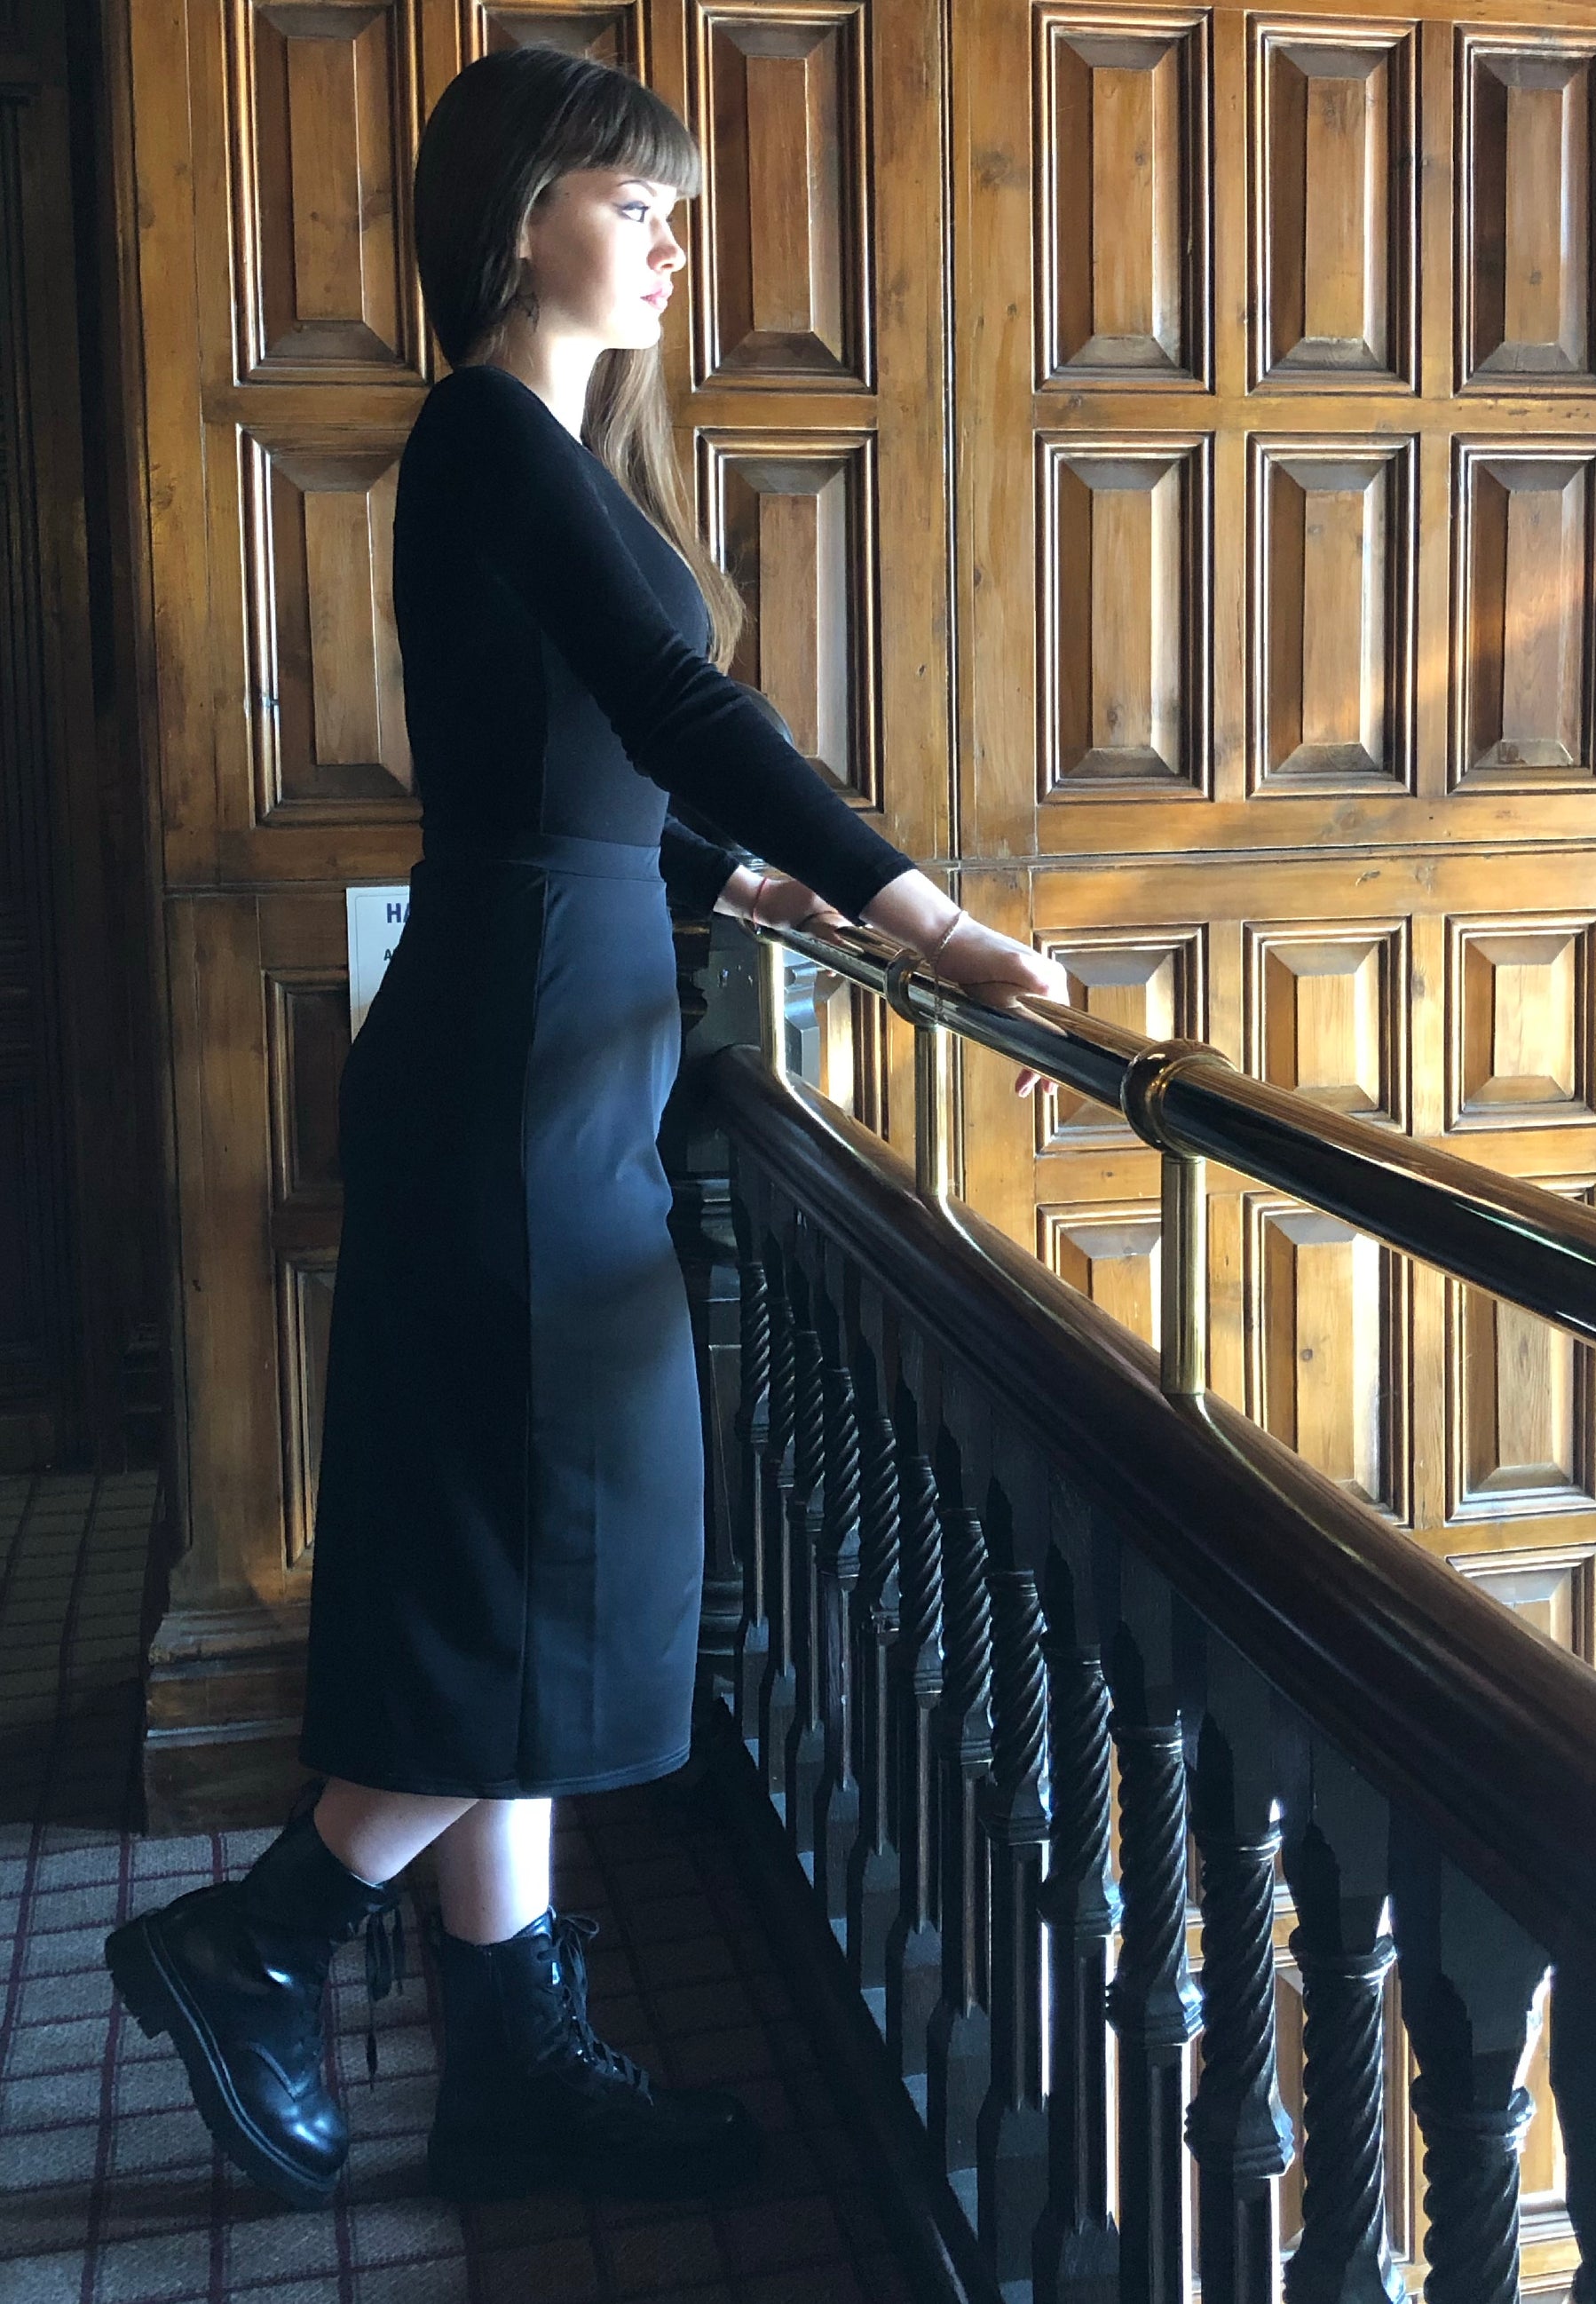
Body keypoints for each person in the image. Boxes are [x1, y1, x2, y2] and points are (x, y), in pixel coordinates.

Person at [104, 45, 1066, 2213]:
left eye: (669, 208)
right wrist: (922, 911)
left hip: (545, 1048)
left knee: (511, 1542)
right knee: (557, 1551)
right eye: (636, 200)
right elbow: (672, 707)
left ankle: (511, 2053)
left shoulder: (548, 456)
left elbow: (569, 773)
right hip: (513, 1069)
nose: (670, 242)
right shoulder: (483, 428)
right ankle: (262, 1937)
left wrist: (750, 885)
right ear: (522, 207)